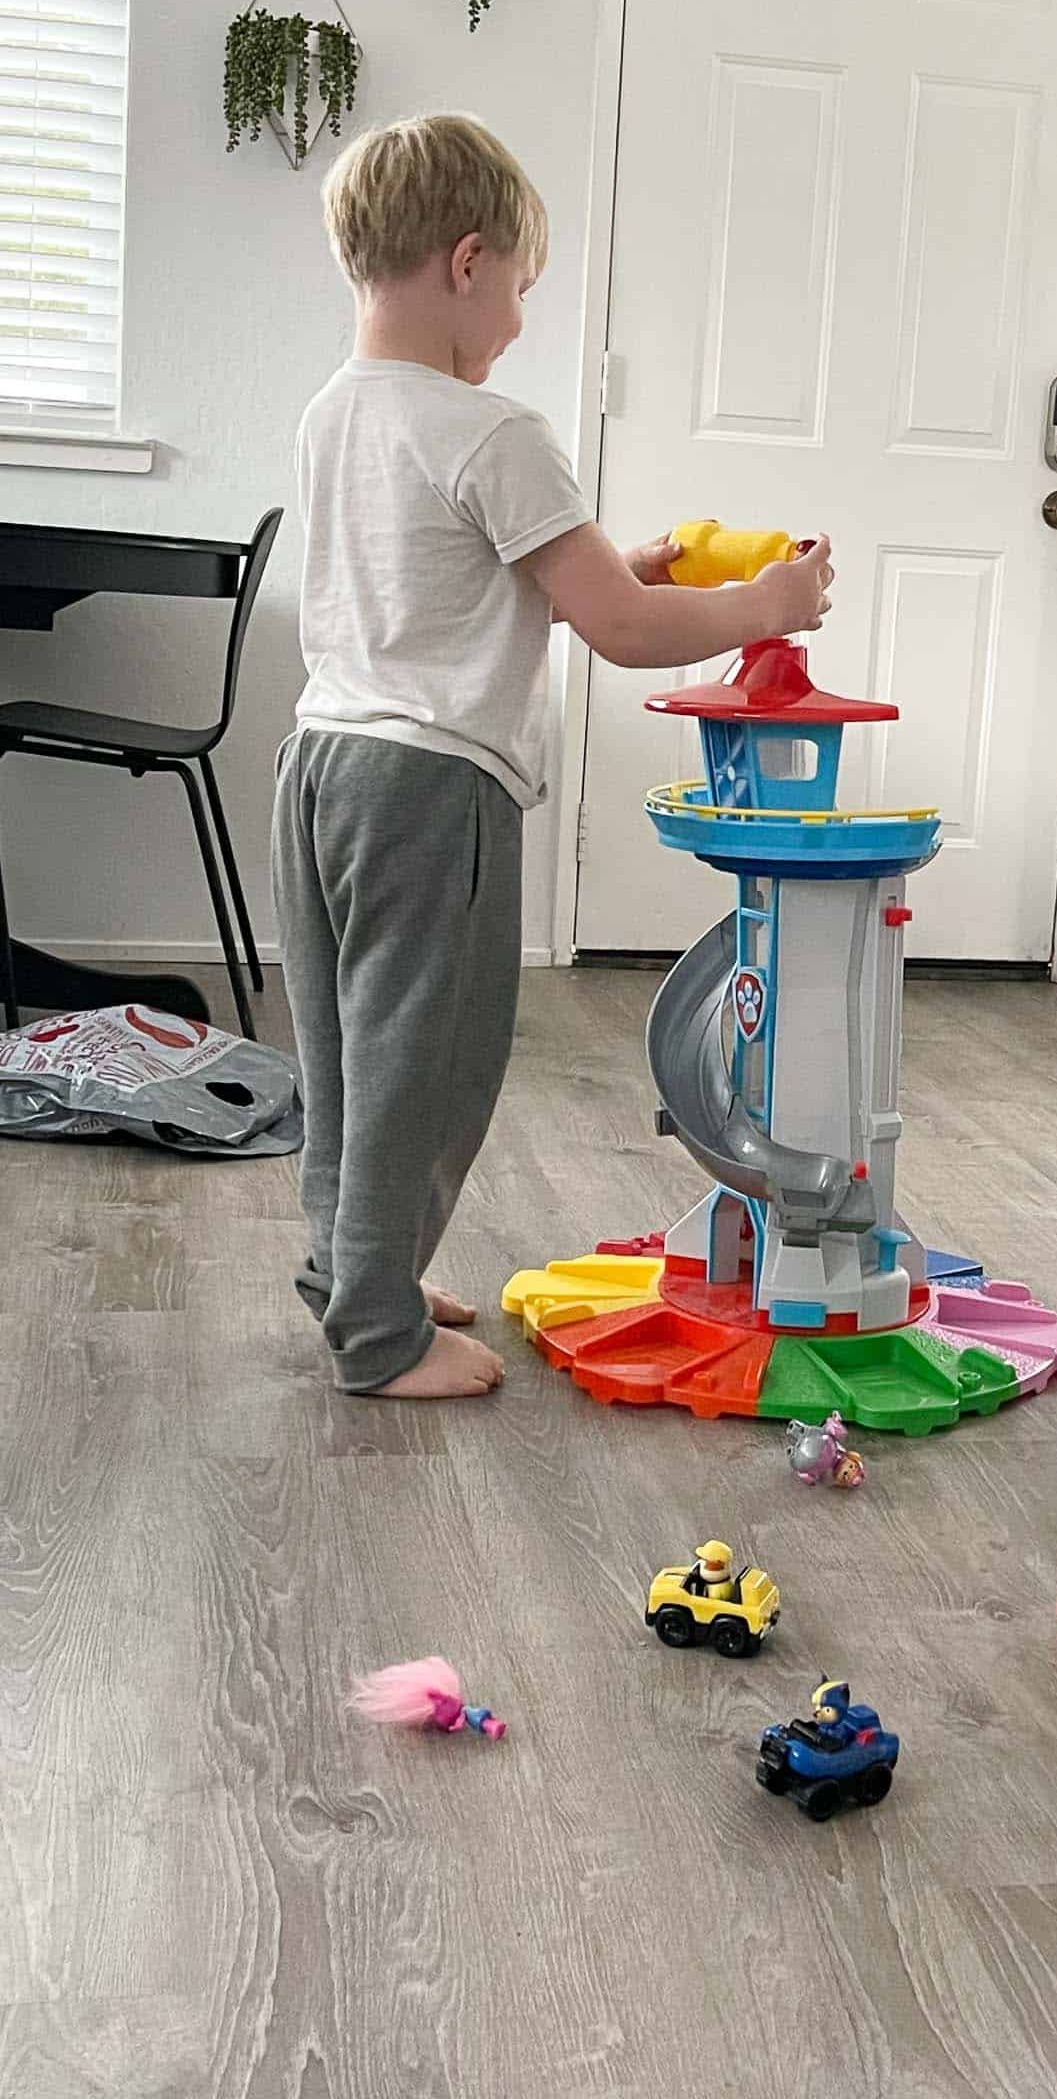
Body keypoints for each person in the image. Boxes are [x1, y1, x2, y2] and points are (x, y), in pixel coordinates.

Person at [274, 113, 833, 1401]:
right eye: (522, 289)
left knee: (350, 1053)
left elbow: (442, 581)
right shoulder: (493, 429)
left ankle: (354, 1271)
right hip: (432, 789)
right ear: (466, 263)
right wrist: (767, 608)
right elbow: (629, 632)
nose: (521, 320)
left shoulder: (336, 412)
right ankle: (378, 1335)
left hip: (322, 767)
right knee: (429, 1060)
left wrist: (599, 569)